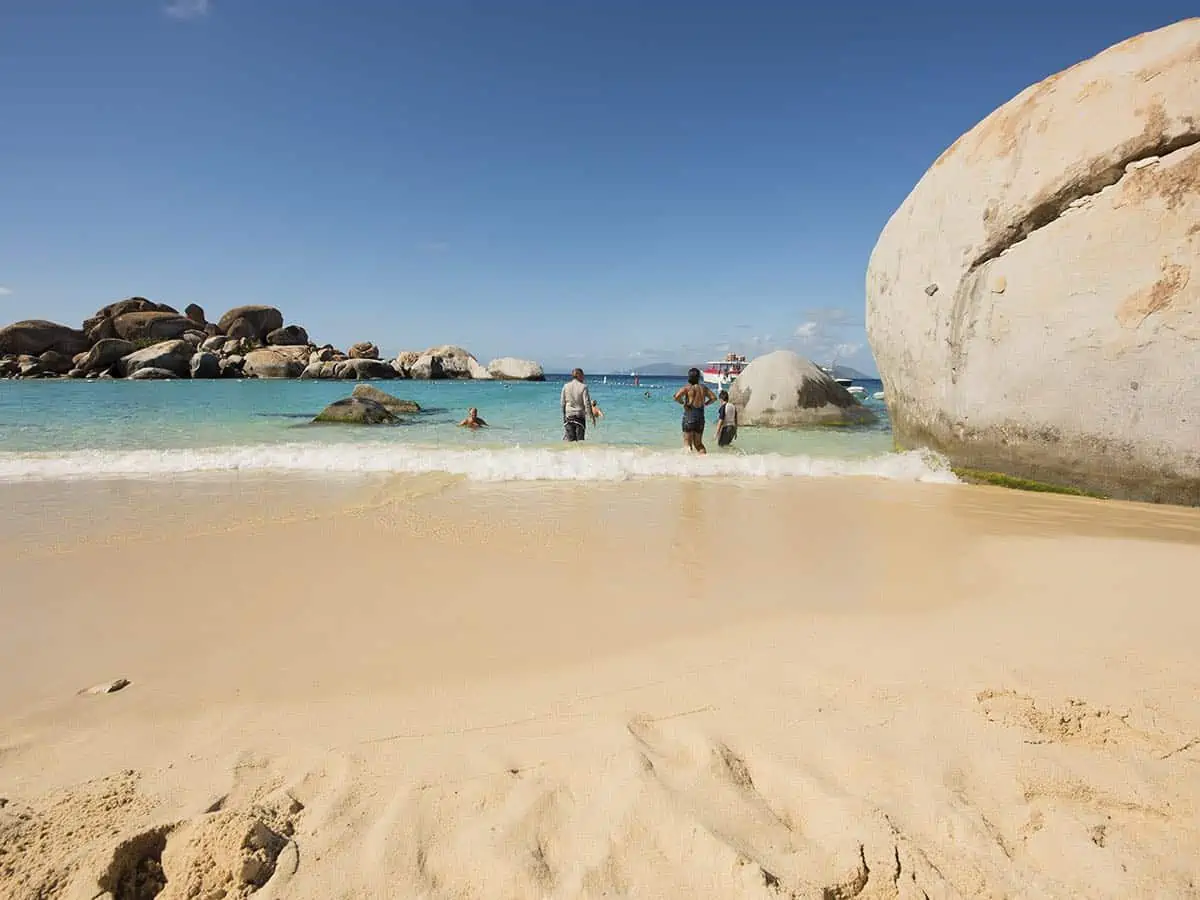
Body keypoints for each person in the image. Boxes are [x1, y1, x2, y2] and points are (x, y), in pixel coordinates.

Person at [673, 368, 716, 453]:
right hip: (700, 418)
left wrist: (682, 403)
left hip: (689, 417)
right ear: (698, 377)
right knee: (699, 444)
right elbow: (714, 398)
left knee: (687, 445)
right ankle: (704, 461)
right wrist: (706, 404)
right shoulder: (703, 388)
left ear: (689, 377)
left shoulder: (688, 388)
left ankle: (689, 464)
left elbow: (676, 396)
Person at [561, 368, 596, 441]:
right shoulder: (583, 387)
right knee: (580, 441)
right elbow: (587, 403)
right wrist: (591, 417)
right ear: (579, 375)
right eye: (583, 375)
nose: (584, 377)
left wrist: (564, 416)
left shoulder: (566, 386)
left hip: (568, 417)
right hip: (579, 417)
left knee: (570, 441)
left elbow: (562, 403)